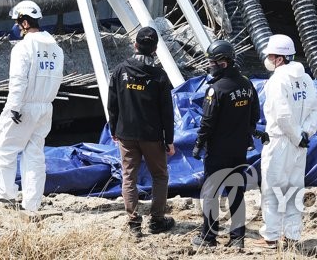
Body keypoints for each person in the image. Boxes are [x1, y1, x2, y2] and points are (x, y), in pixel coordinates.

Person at [0, 0, 65, 213]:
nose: (16, 26)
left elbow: (18, 80)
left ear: (24, 23)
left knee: (5, 151)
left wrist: (14, 107)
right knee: (34, 155)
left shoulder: (23, 48)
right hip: (45, 107)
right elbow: (58, 78)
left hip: (23, 106)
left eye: (17, 22)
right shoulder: (56, 49)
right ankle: (32, 204)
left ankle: (6, 196)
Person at [106, 26, 176, 236]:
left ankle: (134, 222)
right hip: (152, 136)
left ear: (135, 45)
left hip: (126, 134)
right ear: (155, 49)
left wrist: (113, 128)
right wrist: (169, 139)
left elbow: (112, 103)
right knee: (160, 176)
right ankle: (156, 220)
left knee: (129, 177)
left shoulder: (120, 70)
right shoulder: (159, 76)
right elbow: (167, 112)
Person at [191, 39, 260, 250]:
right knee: (236, 192)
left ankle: (208, 237)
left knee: (210, 193)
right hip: (239, 150)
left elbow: (207, 122)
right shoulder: (247, 85)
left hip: (217, 152)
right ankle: (238, 238)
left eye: (212, 62)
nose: (210, 65)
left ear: (223, 63)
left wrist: (198, 144)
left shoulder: (216, 89)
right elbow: (254, 115)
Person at [254, 34, 317, 250]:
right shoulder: (306, 78)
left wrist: (295, 135)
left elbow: (281, 115)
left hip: (280, 140)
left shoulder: (277, 80)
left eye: (271, 56)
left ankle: (271, 236)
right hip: (300, 143)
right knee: (294, 187)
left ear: (280, 58)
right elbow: (314, 109)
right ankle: (292, 235)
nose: (268, 60)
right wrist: (305, 135)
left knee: (272, 188)